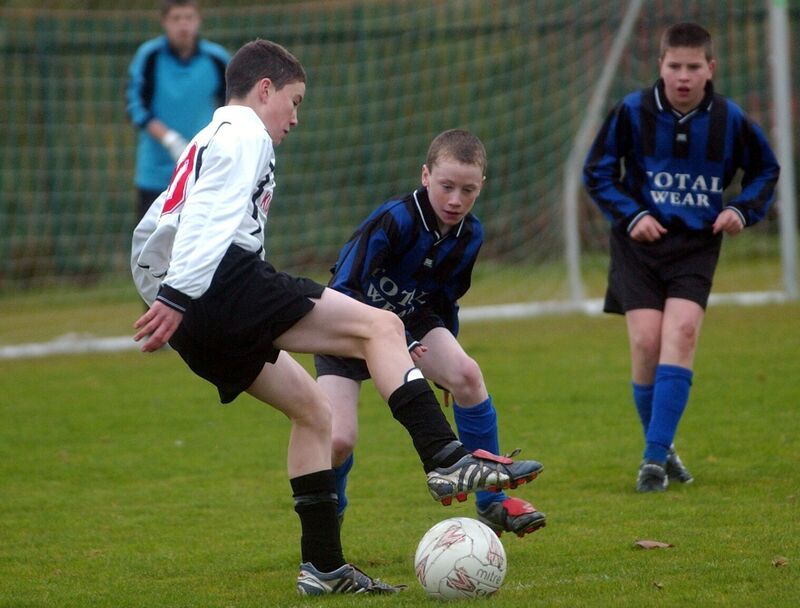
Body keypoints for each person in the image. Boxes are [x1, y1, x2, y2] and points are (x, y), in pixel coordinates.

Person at [131, 39, 543, 594]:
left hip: (195, 305)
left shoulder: (207, 138)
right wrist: (179, 294)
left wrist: (164, 294)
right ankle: (445, 457)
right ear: (265, 89)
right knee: (382, 325)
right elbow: (210, 214)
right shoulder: (244, 131)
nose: (295, 118)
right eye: (294, 102)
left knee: (314, 415)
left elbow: (153, 230)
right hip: (219, 281)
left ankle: (322, 566)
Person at [315, 129, 546, 537]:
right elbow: (342, 288)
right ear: (425, 176)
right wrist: (393, 336)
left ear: (481, 188)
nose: (456, 199)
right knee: (338, 441)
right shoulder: (395, 219)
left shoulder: (470, 235)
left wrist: (444, 363)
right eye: (447, 186)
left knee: (467, 376)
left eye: (468, 190)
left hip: (413, 324)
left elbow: (442, 302)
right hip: (348, 325)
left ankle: (492, 503)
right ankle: (331, 511)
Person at [583, 22, 779, 492]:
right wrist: (631, 215)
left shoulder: (729, 119)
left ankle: (652, 462)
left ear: (710, 69)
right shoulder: (632, 111)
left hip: (695, 247)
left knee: (683, 333)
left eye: (694, 67)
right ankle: (664, 446)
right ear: (661, 67)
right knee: (647, 344)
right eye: (675, 66)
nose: (684, 76)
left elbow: (765, 170)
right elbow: (598, 172)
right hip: (639, 246)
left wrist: (740, 209)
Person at [126, 0, 229, 223]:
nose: (183, 25)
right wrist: (170, 139)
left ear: (198, 20)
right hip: (156, 174)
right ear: (164, 22)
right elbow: (135, 106)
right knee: (152, 251)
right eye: (176, 18)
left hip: (203, 174)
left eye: (189, 18)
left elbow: (233, 108)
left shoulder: (217, 59)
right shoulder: (149, 57)